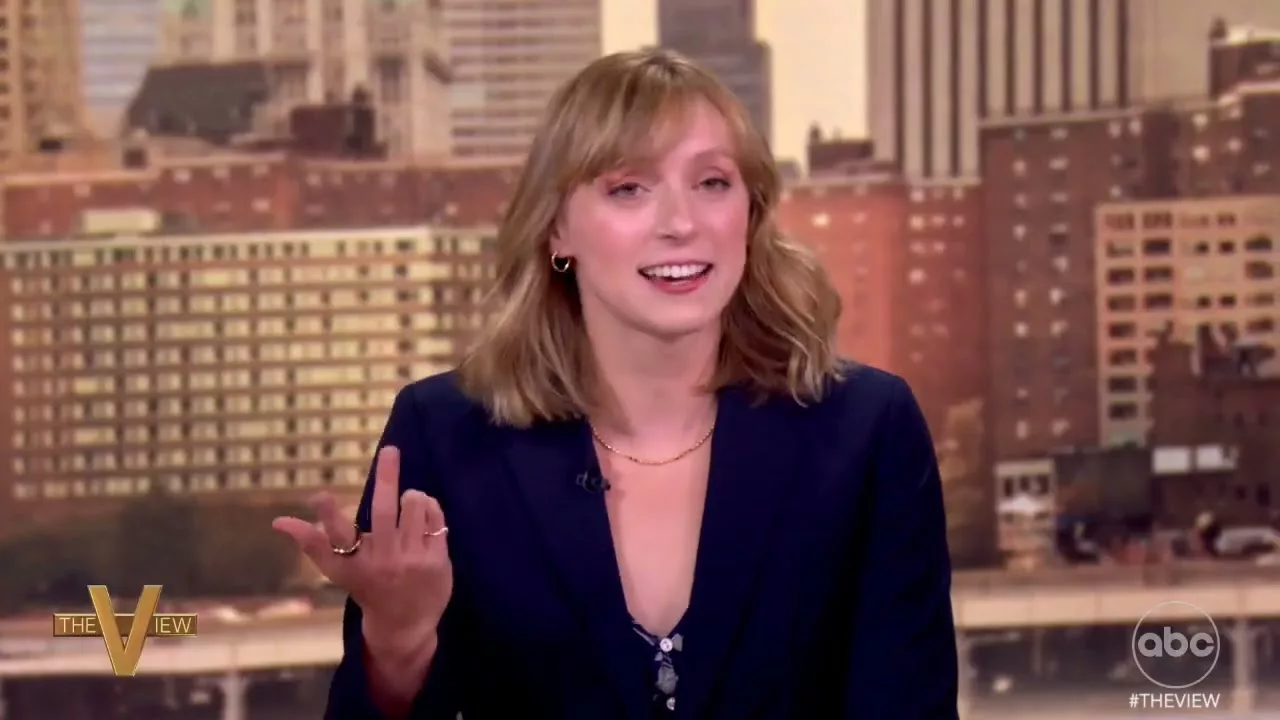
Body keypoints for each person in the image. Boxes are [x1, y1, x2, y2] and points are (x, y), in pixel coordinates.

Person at [273, 48, 958, 719]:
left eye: (712, 183)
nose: (681, 223)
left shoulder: (867, 433)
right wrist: (397, 644)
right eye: (629, 188)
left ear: (749, 215)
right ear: (556, 229)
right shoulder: (445, 435)